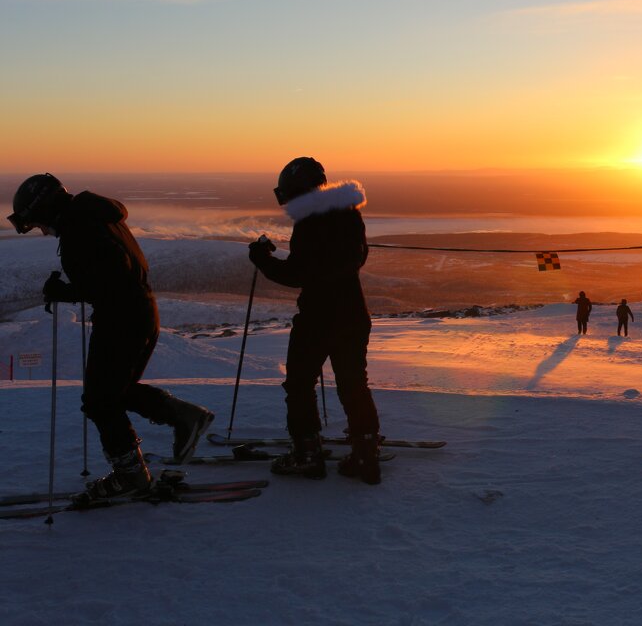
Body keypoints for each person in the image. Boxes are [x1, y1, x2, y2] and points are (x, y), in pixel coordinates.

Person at [9, 174, 213, 502]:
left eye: (38, 224)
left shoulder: (81, 228)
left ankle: (131, 475)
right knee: (114, 393)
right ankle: (185, 418)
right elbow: (114, 275)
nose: (43, 231)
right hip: (136, 314)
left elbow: (113, 278)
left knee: (100, 401)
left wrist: (66, 291)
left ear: (47, 210)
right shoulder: (93, 217)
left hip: (122, 319)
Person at [248, 157, 382, 485]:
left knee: (299, 384)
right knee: (353, 384)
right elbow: (356, 259)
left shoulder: (309, 221)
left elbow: (298, 273)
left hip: (318, 317)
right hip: (352, 314)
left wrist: (262, 260)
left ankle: (307, 454)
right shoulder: (350, 214)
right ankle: (365, 455)